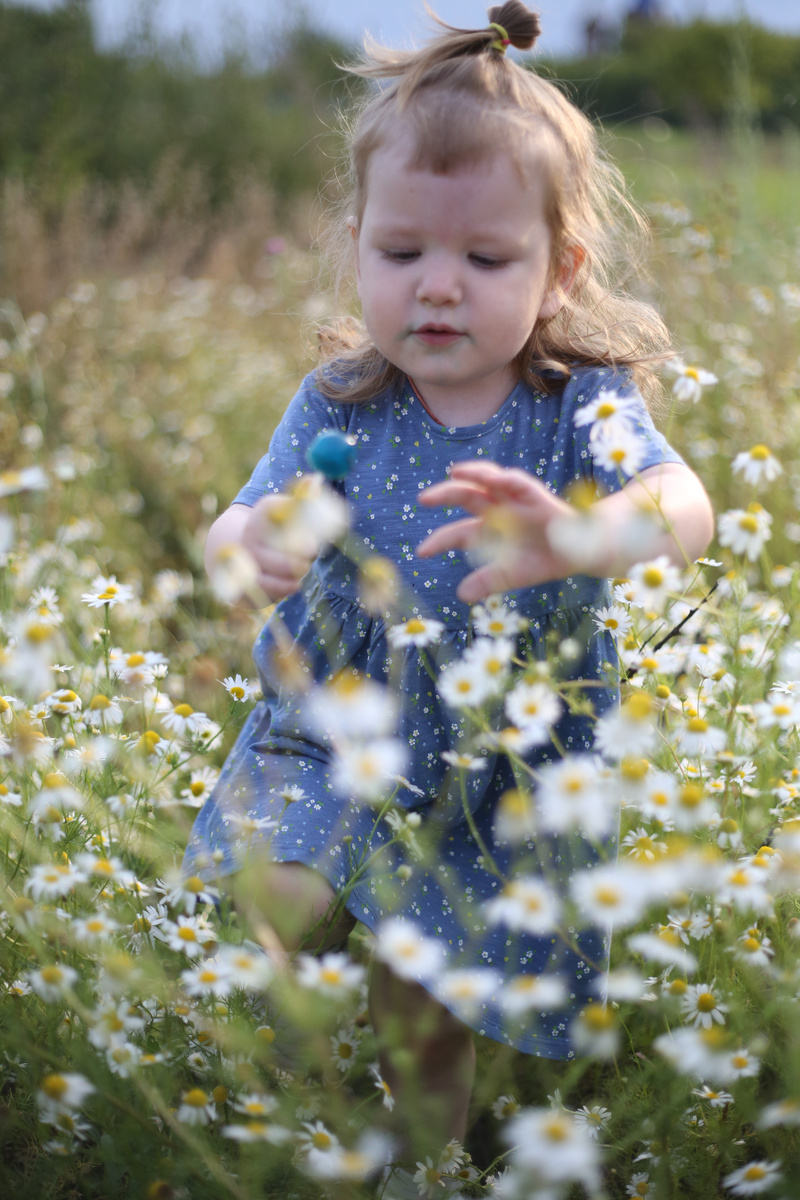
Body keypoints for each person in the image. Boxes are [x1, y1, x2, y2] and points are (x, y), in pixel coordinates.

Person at [184, 0, 714, 1180]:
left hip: (492, 763)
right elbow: (240, 519)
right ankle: (290, 1062)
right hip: (333, 728)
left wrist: (577, 537)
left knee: (424, 1002)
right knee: (275, 892)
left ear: (557, 267)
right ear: (357, 241)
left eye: (483, 260)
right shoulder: (339, 401)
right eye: (400, 252)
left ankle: (423, 1163)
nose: (436, 287)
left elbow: (683, 512)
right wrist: (248, 549)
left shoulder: (579, 401)